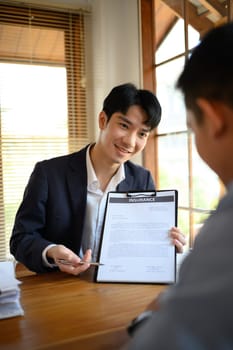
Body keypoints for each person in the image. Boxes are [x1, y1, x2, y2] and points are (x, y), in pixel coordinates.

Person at [121, 22, 233, 350]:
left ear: (211, 118)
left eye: (190, 127)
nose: (131, 140)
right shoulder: (49, 173)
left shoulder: (226, 230)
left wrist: (151, 315)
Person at [10, 83, 185, 275]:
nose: (130, 141)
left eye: (142, 133)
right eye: (124, 126)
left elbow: (143, 241)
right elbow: (21, 239)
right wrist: (51, 252)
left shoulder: (141, 179)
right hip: (60, 286)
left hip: (118, 289)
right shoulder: (48, 174)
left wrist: (166, 244)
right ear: (103, 120)